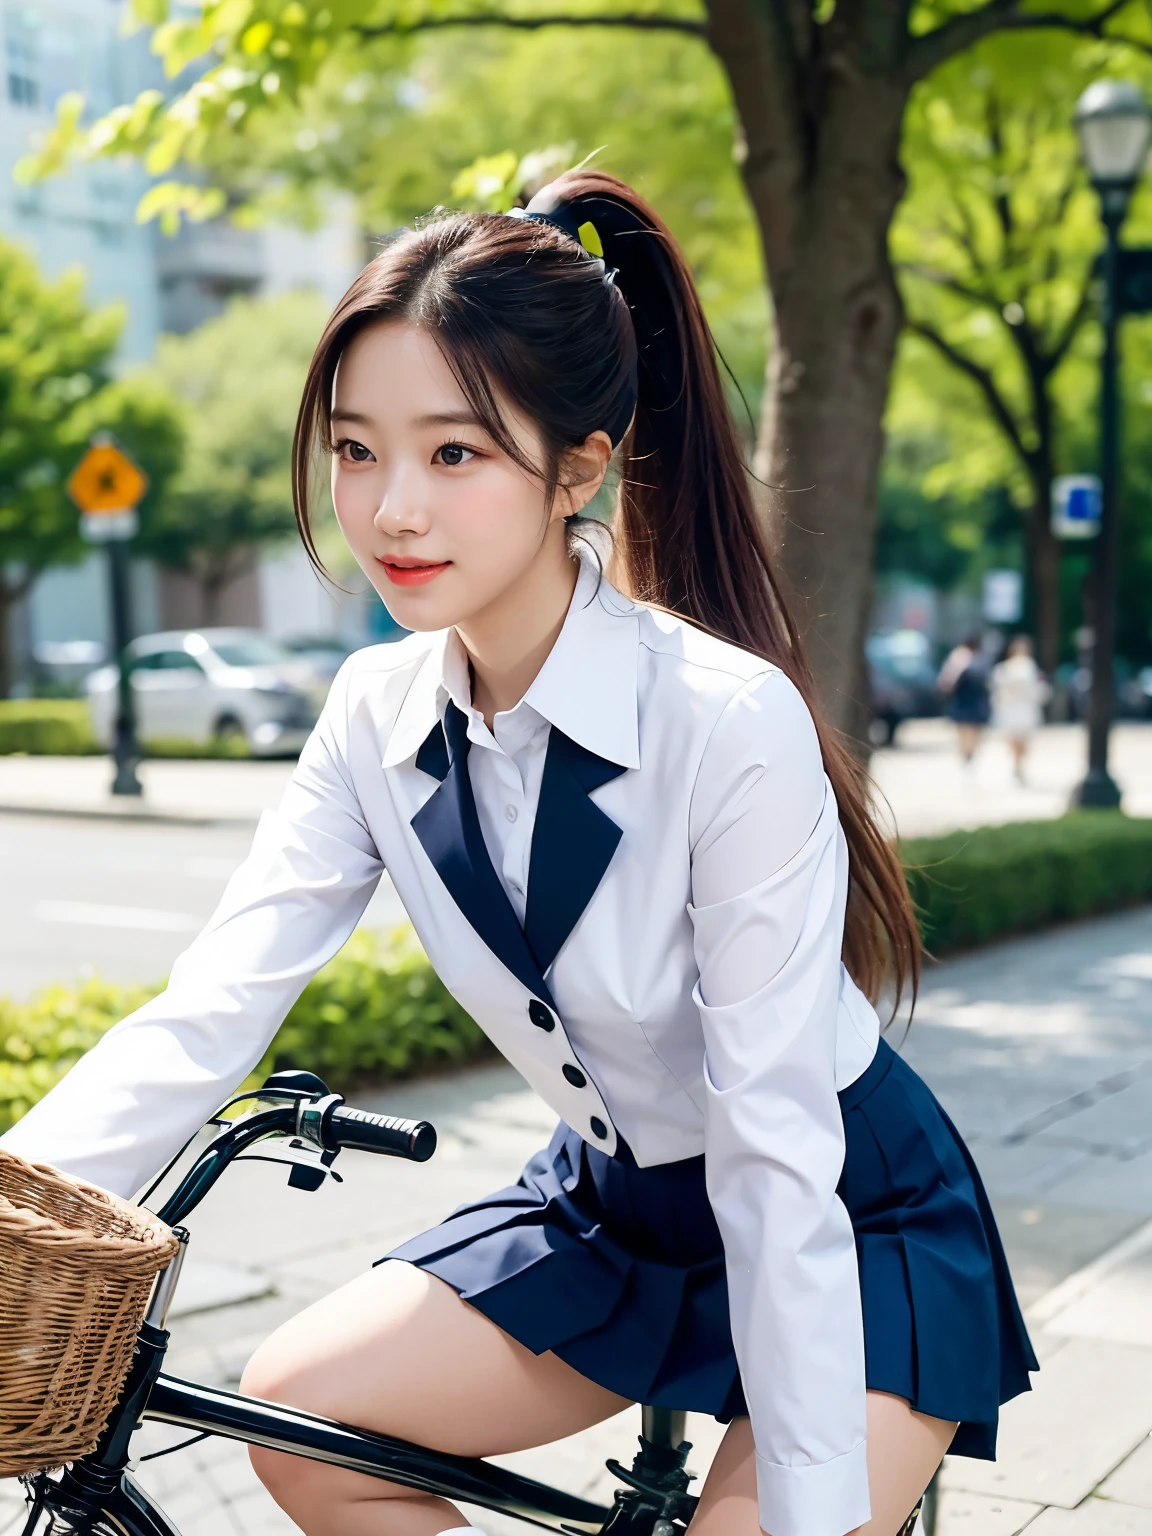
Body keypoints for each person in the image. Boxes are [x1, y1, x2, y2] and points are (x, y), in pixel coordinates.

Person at [0, 172, 1035, 1536]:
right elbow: (215, 1004)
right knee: (302, 1426)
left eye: (455, 453)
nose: (389, 511)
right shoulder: (371, 715)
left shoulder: (722, 720)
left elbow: (777, 1151)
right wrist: (20, 1197)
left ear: (579, 471)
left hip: (841, 1209)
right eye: (355, 449)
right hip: (612, 1209)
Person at [991, 635, 1050, 784]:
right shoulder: (1006, 667)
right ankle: (1017, 767)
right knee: (1013, 739)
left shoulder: (1030, 666)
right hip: (1011, 708)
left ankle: (1019, 766)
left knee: (1024, 740)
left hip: (1025, 708)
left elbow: (1037, 688)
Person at [938, 634, 992, 766]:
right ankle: (968, 754)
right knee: (970, 728)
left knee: (966, 728)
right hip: (970, 696)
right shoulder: (967, 657)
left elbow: (946, 681)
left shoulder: (959, 657)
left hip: (967, 696)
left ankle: (967, 754)